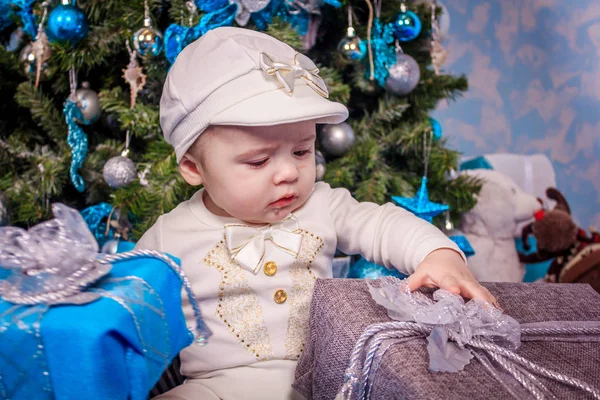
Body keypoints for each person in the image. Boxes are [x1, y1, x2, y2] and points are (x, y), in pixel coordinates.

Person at [136, 26, 496, 400]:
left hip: (330, 380)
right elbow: (124, 316)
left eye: (301, 151)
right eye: (258, 161)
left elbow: (380, 224)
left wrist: (438, 254)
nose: (289, 173)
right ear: (194, 168)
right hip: (217, 388)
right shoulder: (168, 238)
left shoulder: (321, 204)